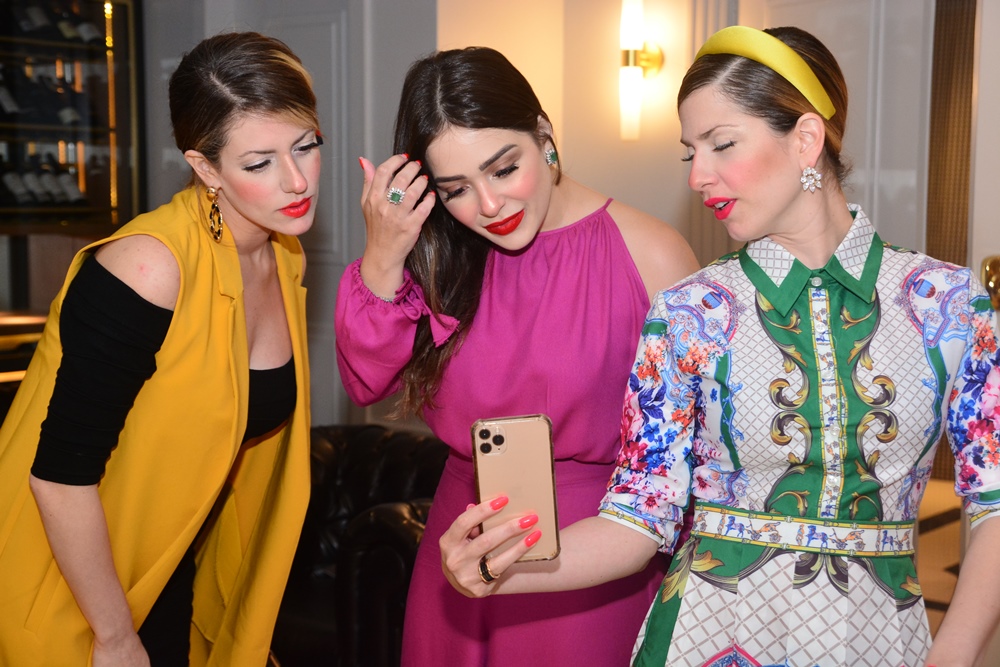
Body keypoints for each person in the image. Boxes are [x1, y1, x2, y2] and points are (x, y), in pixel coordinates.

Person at [439, 25, 1000, 667]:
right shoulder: (689, 313)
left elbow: (994, 502)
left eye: (722, 144)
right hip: (706, 641)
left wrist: (952, 656)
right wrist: (501, 568)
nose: (699, 176)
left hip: (882, 646)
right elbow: (637, 520)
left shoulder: (948, 303)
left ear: (806, 139)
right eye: (691, 153)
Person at [334, 46, 699, 665]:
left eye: (504, 169)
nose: (488, 205)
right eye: (456, 189)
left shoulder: (652, 255)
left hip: (597, 556)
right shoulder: (440, 253)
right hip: (462, 548)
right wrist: (384, 253)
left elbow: (697, 455)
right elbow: (364, 382)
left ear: (544, 135)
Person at [0, 31, 320, 666]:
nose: (295, 181)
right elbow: (58, 478)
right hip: (73, 592)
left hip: (172, 573)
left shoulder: (282, 255)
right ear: (205, 168)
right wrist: (117, 638)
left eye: (306, 146)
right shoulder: (149, 269)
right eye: (259, 163)